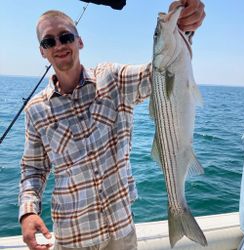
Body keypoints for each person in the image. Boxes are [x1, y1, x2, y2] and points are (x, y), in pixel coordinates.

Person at [18, 0, 205, 249]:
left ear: (79, 41)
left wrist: (184, 28)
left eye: (65, 36)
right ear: (42, 51)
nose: (59, 45)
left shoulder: (113, 78)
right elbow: (33, 169)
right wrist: (28, 212)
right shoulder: (36, 110)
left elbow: (160, 73)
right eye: (48, 41)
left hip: (121, 232)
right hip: (72, 236)